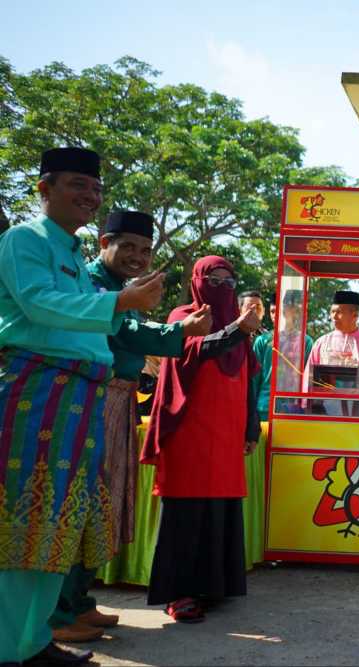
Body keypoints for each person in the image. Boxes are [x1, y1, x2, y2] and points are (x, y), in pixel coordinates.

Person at [0, 148, 163, 666]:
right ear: (44, 188)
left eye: (95, 188)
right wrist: (120, 303)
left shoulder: (70, 254)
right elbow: (38, 304)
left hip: (79, 397)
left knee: (59, 523)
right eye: (77, 185)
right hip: (38, 389)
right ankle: (8, 647)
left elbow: (98, 324)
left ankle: (33, 642)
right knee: (22, 523)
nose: (90, 196)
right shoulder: (25, 239)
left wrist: (125, 309)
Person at [46, 211, 214, 643]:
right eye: (129, 247)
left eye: (145, 249)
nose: (138, 256)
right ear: (105, 243)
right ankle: (58, 613)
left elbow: (134, 326)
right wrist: (180, 331)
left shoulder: (122, 288)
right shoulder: (93, 283)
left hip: (118, 400)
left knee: (105, 502)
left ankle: (78, 600)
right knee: (82, 501)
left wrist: (179, 330)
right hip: (92, 398)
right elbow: (127, 332)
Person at [141, 255, 261, 623]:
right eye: (214, 280)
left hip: (226, 436)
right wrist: (236, 330)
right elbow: (196, 348)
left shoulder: (238, 325)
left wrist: (251, 427)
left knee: (219, 511)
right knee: (187, 513)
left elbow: (247, 380)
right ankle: (179, 593)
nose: (222, 288)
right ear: (197, 281)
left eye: (229, 282)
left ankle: (213, 588)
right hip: (189, 433)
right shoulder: (184, 316)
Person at [303, 290, 359, 404]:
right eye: (332, 312)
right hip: (324, 409)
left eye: (339, 312)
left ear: (355, 315)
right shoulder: (320, 343)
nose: (333, 317)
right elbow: (308, 380)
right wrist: (305, 405)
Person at [250, 290, 313, 419]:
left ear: (291, 312)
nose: (275, 316)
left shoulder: (305, 342)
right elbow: (254, 379)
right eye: (272, 312)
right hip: (264, 407)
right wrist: (250, 411)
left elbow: (308, 380)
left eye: (280, 311)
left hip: (294, 408)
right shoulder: (262, 341)